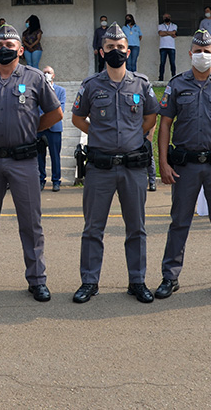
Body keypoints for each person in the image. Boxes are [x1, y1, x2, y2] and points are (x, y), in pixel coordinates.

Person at [0, 24, 63, 301]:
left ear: (20, 49)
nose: (3, 49)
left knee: (31, 223)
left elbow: (55, 113)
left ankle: (37, 279)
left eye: (9, 46)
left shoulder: (35, 78)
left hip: (24, 161)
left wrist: (30, 130)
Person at [71, 23, 160, 304]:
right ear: (101, 51)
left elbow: (150, 118)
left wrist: (136, 137)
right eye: (110, 48)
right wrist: (98, 134)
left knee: (136, 228)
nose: (116, 52)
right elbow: (77, 118)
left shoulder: (141, 84)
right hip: (100, 168)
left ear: (128, 50)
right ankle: (89, 281)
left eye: (121, 47)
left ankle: (137, 281)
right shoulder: (90, 85)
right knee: (93, 228)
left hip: (133, 168)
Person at [155, 29, 211, 301]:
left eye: (207, 51)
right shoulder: (177, 85)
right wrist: (163, 162)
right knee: (179, 222)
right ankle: (170, 277)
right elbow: (165, 125)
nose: (202, 55)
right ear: (189, 53)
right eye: (197, 50)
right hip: (186, 166)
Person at [38, 66, 66, 192]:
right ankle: (40, 180)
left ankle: (56, 181)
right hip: (40, 128)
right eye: (44, 73)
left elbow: (61, 109)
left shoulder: (60, 91)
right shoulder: (37, 90)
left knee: (55, 156)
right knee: (39, 156)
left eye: (49, 73)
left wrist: (50, 121)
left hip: (54, 128)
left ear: (53, 75)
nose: (46, 74)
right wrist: (43, 122)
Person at [158, 13, 177, 81]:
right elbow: (160, 33)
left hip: (171, 47)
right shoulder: (160, 26)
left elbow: (174, 33)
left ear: (170, 18)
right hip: (163, 47)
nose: (166, 18)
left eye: (168, 17)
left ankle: (174, 77)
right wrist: (170, 33)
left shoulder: (174, 25)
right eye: (165, 17)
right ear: (163, 18)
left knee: (172, 63)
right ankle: (160, 78)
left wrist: (165, 33)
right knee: (162, 63)